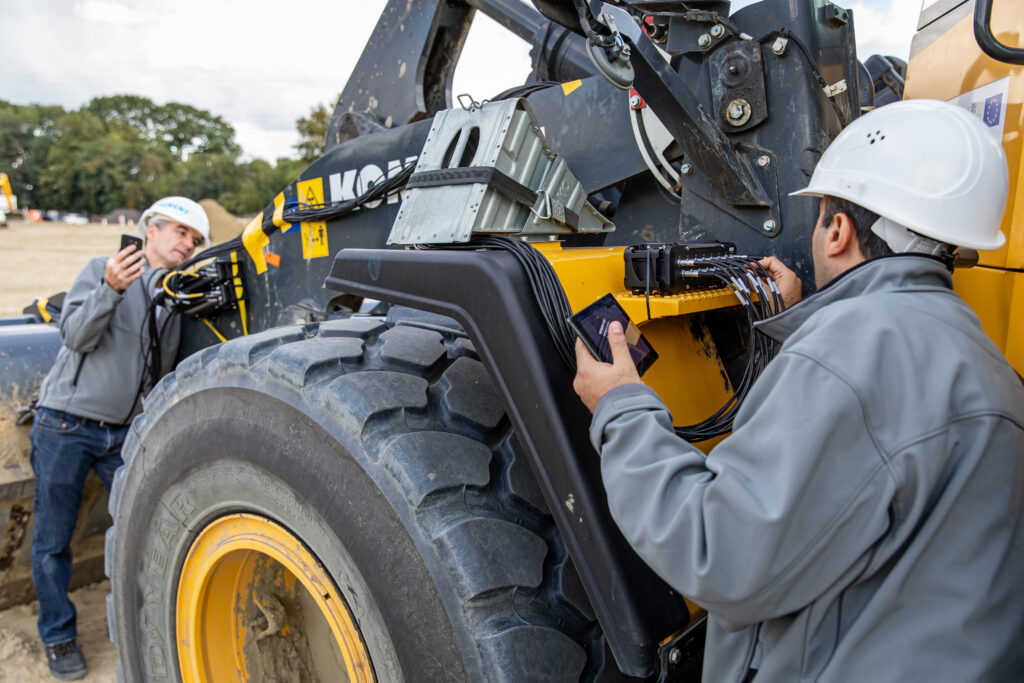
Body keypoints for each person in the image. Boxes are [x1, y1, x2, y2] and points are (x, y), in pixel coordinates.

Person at [573, 99, 1024, 681]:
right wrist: (801, 323)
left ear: (836, 229)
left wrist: (620, 405)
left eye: (819, 218)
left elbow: (719, 551)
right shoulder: (981, 354)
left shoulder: (850, 352)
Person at [29, 197, 209, 680]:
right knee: (52, 539)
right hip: (66, 424)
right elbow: (75, 335)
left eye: (195, 240)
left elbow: (159, 371)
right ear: (149, 231)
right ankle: (58, 635)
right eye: (179, 231)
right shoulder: (101, 271)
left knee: (148, 525)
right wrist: (110, 288)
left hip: (123, 435)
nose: (187, 243)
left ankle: (148, 625)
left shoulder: (173, 300)